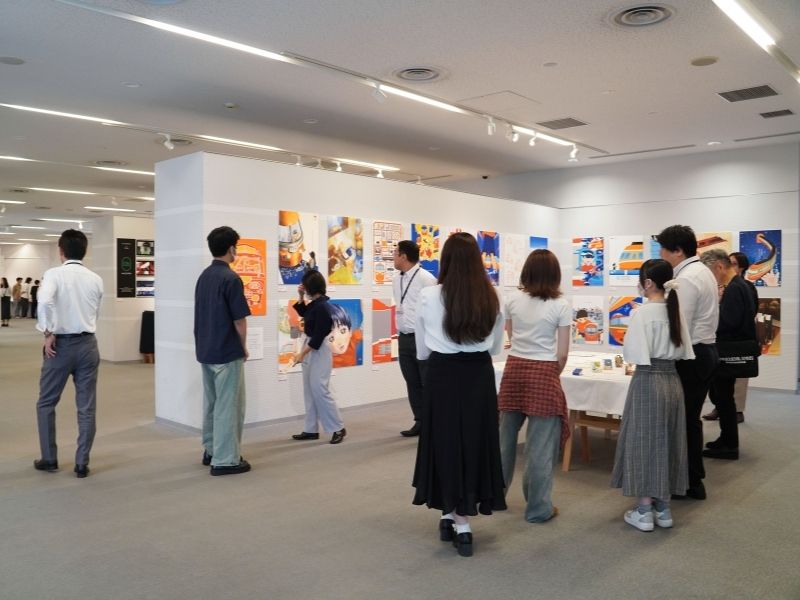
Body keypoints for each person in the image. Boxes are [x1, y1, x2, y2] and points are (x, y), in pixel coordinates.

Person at [412, 232, 506, 558]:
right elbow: (495, 346)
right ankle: (453, 516)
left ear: (446, 260)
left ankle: (457, 520)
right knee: (475, 443)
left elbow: (422, 349)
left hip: (442, 375)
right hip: (478, 375)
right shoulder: (492, 296)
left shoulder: (429, 295)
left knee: (445, 443)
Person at [611, 259, 694, 531]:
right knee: (670, 440)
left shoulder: (643, 313)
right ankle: (663, 507)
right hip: (672, 380)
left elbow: (633, 354)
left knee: (644, 441)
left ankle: (644, 509)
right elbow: (684, 350)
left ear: (647, 283)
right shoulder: (674, 311)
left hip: (648, 379)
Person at [498, 249, 571, 523]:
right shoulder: (561, 305)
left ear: (526, 271)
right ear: (554, 274)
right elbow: (562, 353)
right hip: (544, 372)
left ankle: (495, 497)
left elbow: (511, 335)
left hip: (514, 370)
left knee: (503, 442)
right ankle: (538, 509)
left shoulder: (512, 300)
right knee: (539, 448)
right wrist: (552, 372)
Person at [656, 225, 719, 501]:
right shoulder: (700, 271)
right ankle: (691, 479)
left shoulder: (687, 278)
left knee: (684, 420)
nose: (661, 254)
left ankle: (689, 481)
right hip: (704, 352)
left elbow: (679, 326)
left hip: (693, 357)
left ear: (678, 251)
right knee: (689, 419)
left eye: (663, 249)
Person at [34, 229, 103, 478]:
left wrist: (48, 331)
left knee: (46, 402)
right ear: (85, 251)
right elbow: (96, 311)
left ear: (60, 251)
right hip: (88, 344)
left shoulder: (54, 274)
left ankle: (49, 459)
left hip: (60, 346)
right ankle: (82, 463)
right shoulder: (95, 278)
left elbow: (44, 301)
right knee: (86, 406)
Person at [194, 226, 251, 476]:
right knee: (229, 406)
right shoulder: (231, 279)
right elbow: (239, 320)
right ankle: (226, 459)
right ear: (231, 248)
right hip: (227, 351)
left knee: (212, 403)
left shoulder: (204, 276)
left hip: (206, 349)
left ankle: (211, 449)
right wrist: (243, 346)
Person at [699, 249, 756, 460]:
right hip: (730, 349)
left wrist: (709, 319)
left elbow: (729, 322)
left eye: (710, 272)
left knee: (723, 398)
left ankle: (729, 444)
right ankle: (726, 439)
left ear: (720, 267)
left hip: (727, 350)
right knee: (723, 398)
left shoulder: (735, 288)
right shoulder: (741, 286)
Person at [290, 270, 347, 444]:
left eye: (305, 286)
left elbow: (318, 336)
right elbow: (304, 313)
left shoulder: (322, 307)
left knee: (320, 389)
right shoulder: (316, 304)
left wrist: (302, 353)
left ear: (311, 287)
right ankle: (310, 429)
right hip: (310, 346)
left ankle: (338, 427)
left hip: (318, 349)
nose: (303, 288)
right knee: (309, 389)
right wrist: (301, 296)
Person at [392, 240, 436, 437]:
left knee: (427, 382)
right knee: (411, 381)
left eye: (395, 254)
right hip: (403, 337)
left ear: (404, 256)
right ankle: (420, 421)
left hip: (422, 337)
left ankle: (432, 421)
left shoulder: (427, 279)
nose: (393, 258)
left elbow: (434, 310)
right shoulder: (396, 279)